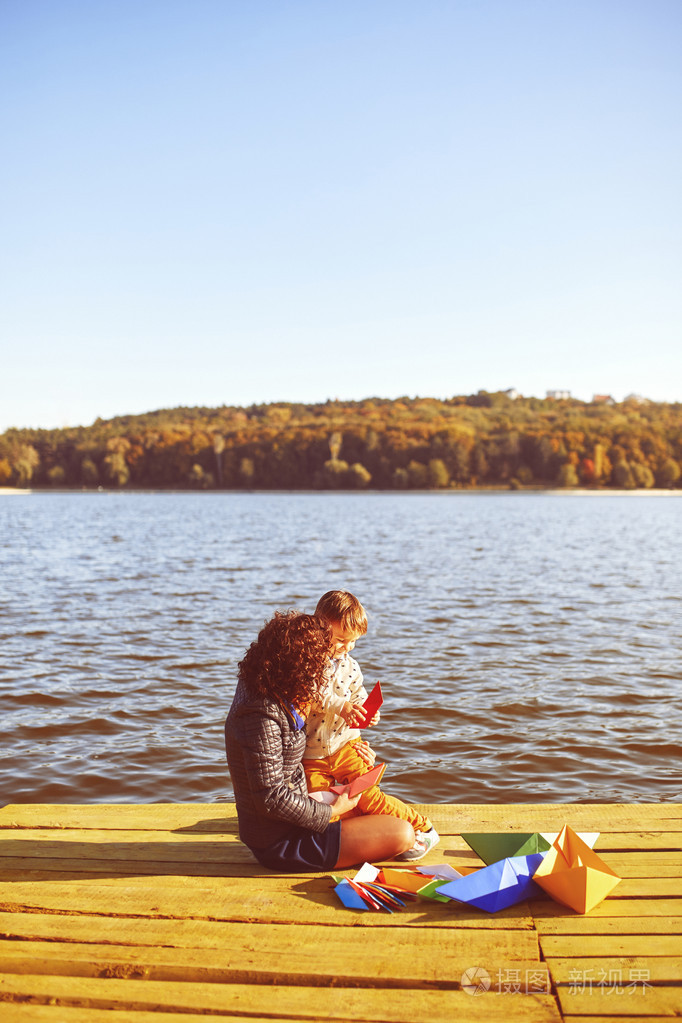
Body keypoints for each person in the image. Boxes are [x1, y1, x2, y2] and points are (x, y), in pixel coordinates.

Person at [224, 609, 415, 872]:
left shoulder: (269, 687)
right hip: (283, 842)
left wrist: (353, 747)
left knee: (376, 809)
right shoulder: (260, 716)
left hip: (302, 811)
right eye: (315, 672)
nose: (320, 680)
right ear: (293, 670)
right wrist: (333, 811)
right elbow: (271, 798)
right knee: (402, 834)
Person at [302, 590, 440, 861]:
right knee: (319, 806)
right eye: (341, 640)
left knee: (368, 795)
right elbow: (312, 693)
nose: (347, 647)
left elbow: (358, 695)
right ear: (319, 628)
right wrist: (341, 707)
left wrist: (367, 711)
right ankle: (367, 830)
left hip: (346, 744)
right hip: (312, 755)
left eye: (353, 642)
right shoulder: (307, 662)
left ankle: (423, 827)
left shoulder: (351, 666)